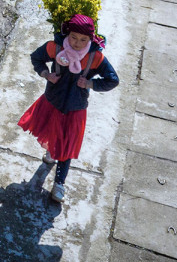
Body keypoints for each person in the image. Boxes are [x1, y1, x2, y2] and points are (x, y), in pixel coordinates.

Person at [18, 13, 119, 203]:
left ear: (91, 39)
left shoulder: (95, 58)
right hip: (53, 101)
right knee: (52, 132)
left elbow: (113, 80)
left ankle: (59, 184)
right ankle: (52, 151)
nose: (77, 43)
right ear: (66, 33)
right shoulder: (55, 47)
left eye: (83, 39)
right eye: (73, 37)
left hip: (75, 109)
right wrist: (46, 74)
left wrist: (90, 84)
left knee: (67, 147)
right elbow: (36, 58)